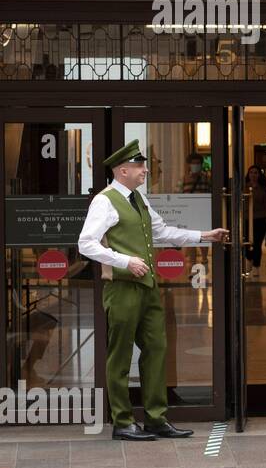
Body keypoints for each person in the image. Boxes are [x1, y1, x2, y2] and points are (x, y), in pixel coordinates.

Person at [76, 140, 229, 441]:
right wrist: (125, 260)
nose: (146, 169)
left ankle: (156, 418)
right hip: (121, 288)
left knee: (156, 349)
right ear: (122, 171)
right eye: (139, 166)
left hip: (147, 286)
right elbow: (86, 243)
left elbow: (161, 231)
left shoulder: (138, 198)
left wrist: (204, 235)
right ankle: (122, 421)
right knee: (119, 356)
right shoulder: (104, 201)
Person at [243, 165, 266, 270]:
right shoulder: (243, 187)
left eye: (256, 173)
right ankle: (248, 261)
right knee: (247, 242)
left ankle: (256, 266)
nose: (253, 175)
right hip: (246, 219)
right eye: (251, 172)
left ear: (259, 175)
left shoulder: (264, 189)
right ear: (248, 174)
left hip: (260, 219)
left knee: (257, 243)